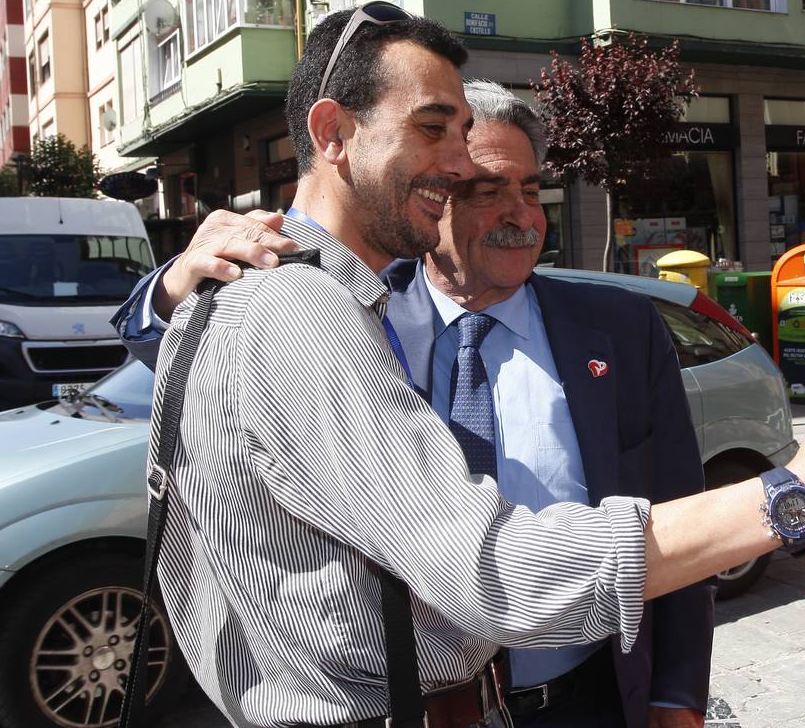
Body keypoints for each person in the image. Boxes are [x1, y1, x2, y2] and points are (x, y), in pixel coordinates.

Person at [117, 4, 805, 728]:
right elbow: (490, 571)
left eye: (530, 188)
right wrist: (794, 497)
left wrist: (674, 696)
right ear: (333, 133)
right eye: (434, 133)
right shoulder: (302, 311)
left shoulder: (601, 327)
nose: (458, 167)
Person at [117, 81, 713, 728]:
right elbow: (186, 355)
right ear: (431, 193)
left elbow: (681, 511)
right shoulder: (340, 314)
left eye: (532, 190)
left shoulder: (620, 329)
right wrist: (179, 283)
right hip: (415, 709)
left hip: (587, 698)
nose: (524, 216)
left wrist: (676, 696)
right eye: (488, 191)